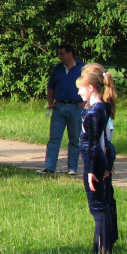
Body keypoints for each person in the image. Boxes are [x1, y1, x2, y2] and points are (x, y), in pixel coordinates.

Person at [75, 63, 117, 254]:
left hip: (94, 160)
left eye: (80, 89)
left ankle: (102, 247)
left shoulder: (93, 112)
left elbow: (92, 143)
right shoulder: (102, 108)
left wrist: (91, 170)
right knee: (102, 202)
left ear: (91, 88)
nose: (78, 93)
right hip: (99, 159)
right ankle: (104, 244)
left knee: (97, 205)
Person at [38, 44, 85, 175]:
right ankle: (49, 167)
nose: (60, 56)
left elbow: (90, 84)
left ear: (70, 54)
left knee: (75, 138)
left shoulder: (82, 68)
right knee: (54, 137)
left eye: (62, 54)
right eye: (59, 54)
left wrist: (85, 102)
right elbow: (51, 86)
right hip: (59, 106)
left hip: (76, 106)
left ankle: (72, 168)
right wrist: (50, 102)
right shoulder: (58, 69)